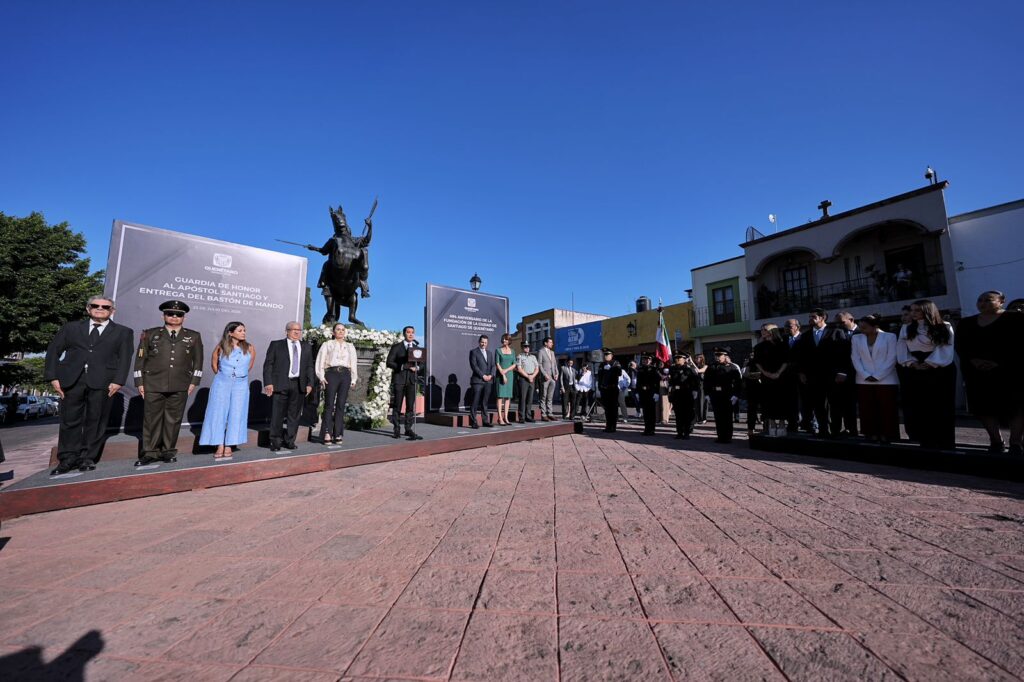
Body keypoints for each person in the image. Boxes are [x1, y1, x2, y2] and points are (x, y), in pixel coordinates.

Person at [44, 295, 134, 474]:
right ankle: (67, 458)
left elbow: (125, 358)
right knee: (69, 421)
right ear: (88, 308)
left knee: (96, 420)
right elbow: (53, 351)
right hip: (71, 380)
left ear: (112, 311)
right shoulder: (71, 328)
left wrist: (118, 381)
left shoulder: (123, 332)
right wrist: (53, 377)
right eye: (95, 305)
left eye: (105, 307)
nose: (100, 308)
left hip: (104, 382)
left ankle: (87, 458)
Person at [134, 300, 204, 465]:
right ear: (163, 316)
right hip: (153, 383)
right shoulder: (149, 334)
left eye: (178, 314)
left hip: (180, 384)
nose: (174, 316)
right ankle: (150, 452)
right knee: (151, 419)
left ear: (184, 318)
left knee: (173, 420)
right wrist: (139, 382)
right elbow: (140, 359)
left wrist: (194, 382)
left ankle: (168, 451)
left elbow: (198, 361)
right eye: (170, 313)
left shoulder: (193, 336)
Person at [956, 291, 1024, 455]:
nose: (983, 303)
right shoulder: (966, 323)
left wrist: (1000, 362)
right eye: (980, 300)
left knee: (1016, 407)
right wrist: (974, 361)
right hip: (978, 372)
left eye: (988, 300)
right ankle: (996, 441)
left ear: (1001, 301)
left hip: (1010, 372)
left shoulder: (1016, 319)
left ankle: (1015, 442)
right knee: (984, 407)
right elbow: (961, 346)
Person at [897, 299, 956, 449]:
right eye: (912, 310)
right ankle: (925, 439)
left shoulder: (944, 326)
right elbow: (901, 348)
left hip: (939, 369)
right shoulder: (906, 328)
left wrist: (930, 363)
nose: (913, 313)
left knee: (941, 405)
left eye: (917, 310)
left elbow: (945, 348)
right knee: (920, 405)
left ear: (927, 310)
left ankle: (944, 441)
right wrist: (911, 362)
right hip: (915, 368)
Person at [200, 321, 256, 457]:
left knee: (237, 413)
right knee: (217, 413)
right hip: (222, 383)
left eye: (244, 330)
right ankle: (219, 444)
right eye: (240, 331)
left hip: (240, 385)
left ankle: (230, 444)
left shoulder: (249, 348)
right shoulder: (221, 347)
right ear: (230, 333)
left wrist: (238, 375)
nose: (243, 333)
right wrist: (224, 376)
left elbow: (250, 365)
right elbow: (214, 363)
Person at [263, 321, 315, 451]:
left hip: (299, 384)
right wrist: (268, 382)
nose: (297, 332)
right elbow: (268, 365)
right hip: (280, 384)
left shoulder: (306, 346)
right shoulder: (276, 345)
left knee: (294, 415)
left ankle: (290, 440)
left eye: (299, 330)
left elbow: (310, 366)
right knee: (277, 415)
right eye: (293, 329)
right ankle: (275, 442)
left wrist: (310, 383)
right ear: (286, 331)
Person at [793, 309, 845, 437]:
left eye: (813, 316)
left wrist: (842, 372)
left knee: (834, 404)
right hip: (813, 377)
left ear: (822, 317)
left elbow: (843, 354)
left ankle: (836, 430)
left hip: (832, 375)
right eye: (810, 316)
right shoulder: (805, 336)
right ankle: (823, 429)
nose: (810, 319)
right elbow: (800, 357)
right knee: (818, 405)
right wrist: (801, 373)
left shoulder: (836, 332)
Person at [851, 314, 899, 443]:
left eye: (865, 327)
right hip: (863, 379)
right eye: (860, 327)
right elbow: (855, 358)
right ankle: (870, 433)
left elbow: (892, 358)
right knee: (867, 408)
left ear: (875, 326)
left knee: (887, 408)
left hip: (887, 379)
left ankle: (887, 434)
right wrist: (865, 375)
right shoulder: (856, 338)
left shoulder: (890, 337)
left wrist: (878, 376)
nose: (862, 330)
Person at [315, 322, 358, 445]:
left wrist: (353, 379)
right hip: (331, 374)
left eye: (343, 330)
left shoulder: (350, 346)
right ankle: (327, 432)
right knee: (329, 404)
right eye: (338, 329)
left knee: (341, 405)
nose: (341, 331)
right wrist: (321, 376)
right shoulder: (327, 344)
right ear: (333, 332)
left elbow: (353, 363)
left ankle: (338, 433)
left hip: (345, 375)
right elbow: (320, 361)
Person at [386, 325, 423, 440]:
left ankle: (408, 429)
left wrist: (417, 368)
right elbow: (389, 362)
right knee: (397, 406)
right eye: (408, 332)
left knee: (410, 406)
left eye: (412, 332)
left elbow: (422, 363)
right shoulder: (397, 347)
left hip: (411, 380)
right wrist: (402, 366)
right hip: (399, 380)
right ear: (404, 334)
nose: (411, 334)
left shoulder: (417, 348)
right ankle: (396, 429)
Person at [753, 323, 789, 437]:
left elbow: (786, 360)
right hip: (766, 378)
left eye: (765, 329)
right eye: (761, 329)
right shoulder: (759, 347)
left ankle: (782, 424)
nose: (762, 331)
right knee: (768, 401)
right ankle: (772, 424)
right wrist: (765, 373)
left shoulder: (782, 344)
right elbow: (757, 362)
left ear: (773, 330)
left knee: (782, 400)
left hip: (781, 377)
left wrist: (778, 373)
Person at [830, 311, 859, 436]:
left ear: (851, 320)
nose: (838, 325)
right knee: (840, 403)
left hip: (860, 374)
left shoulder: (862, 332)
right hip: (840, 375)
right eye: (836, 323)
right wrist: (840, 372)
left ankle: (853, 429)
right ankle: (842, 429)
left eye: (841, 322)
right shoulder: (836, 333)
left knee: (853, 405)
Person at [704, 348, 742, 443]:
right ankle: (720, 436)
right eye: (716, 356)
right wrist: (707, 393)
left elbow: (738, 382)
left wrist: (736, 395)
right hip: (715, 394)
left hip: (727, 394)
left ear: (725, 356)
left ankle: (728, 437)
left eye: (719, 356)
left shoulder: (732, 367)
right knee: (718, 416)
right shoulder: (711, 367)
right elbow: (706, 381)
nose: (717, 357)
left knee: (727, 416)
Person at [783, 318, 813, 433]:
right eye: (785, 326)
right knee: (790, 400)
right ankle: (792, 423)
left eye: (789, 326)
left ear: (797, 327)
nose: (786, 328)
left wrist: (803, 372)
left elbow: (808, 357)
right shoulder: (783, 339)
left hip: (802, 374)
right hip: (787, 375)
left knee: (806, 400)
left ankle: (808, 423)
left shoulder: (805, 338)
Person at [669, 353, 701, 439]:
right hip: (676, 394)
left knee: (687, 414)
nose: (677, 360)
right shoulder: (673, 369)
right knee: (678, 414)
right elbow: (671, 381)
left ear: (684, 359)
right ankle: (679, 432)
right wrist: (670, 390)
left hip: (686, 394)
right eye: (676, 358)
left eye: (679, 358)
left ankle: (687, 432)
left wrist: (695, 391)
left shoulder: (689, 369)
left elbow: (696, 380)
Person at [468, 334, 495, 428]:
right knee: (475, 402)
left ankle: (485, 421)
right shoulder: (473, 352)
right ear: (479, 342)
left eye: (485, 342)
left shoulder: (490, 353)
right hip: (478, 381)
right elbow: (474, 366)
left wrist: (491, 375)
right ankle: (473, 422)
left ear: (487, 343)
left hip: (488, 381)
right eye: (482, 342)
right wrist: (483, 375)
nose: (484, 344)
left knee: (485, 402)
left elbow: (493, 366)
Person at [596, 349, 621, 432]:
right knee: (607, 409)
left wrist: (612, 369)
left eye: (608, 354)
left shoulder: (616, 363)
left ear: (611, 356)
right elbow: (599, 377)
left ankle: (613, 426)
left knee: (613, 408)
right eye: (605, 355)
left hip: (612, 389)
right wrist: (600, 387)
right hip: (604, 389)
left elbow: (619, 373)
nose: (606, 356)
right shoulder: (602, 364)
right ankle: (608, 426)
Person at [494, 333, 516, 425]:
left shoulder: (513, 351)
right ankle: (500, 418)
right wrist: (503, 374)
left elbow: (514, 364)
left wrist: (506, 371)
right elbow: (497, 364)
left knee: (508, 397)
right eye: (503, 339)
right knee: (500, 397)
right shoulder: (498, 350)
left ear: (509, 341)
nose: (504, 340)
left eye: (506, 339)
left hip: (510, 375)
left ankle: (506, 417)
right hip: (500, 375)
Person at [635, 355, 660, 435]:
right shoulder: (640, 369)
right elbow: (638, 382)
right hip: (643, 392)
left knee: (651, 412)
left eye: (647, 359)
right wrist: (637, 392)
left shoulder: (654, 369)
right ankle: (646, 429)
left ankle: (652, 430)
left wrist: (656, 393)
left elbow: (657, 382)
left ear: (650, 361)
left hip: (651, 392)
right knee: (645, 412)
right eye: (644, 359)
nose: (645, 361)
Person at [515, 342, 539, 423]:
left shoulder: (533, 357)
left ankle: (528, 416)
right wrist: (528, 376)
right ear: (522, 348)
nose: (527, 348)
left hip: (532, 378)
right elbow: (519, 368)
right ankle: (521, 417)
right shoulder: (520, 356)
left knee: (530, 398)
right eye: (525, 347)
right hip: (523, 378)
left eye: (528, 346)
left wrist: (532, 376)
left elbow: (537, 368)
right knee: (523, 398)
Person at [536, 337, 558, 421]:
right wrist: (544, 374)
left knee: (550, 396)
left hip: (552, 377)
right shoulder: (541, 351)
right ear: (545, 343)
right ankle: (543, 414)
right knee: (543, 396)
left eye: (552, 342)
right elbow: (539, 364)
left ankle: (550, 413)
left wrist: (556, 373)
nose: (552, 344)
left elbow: (555, 364)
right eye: (550, 342)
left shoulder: (552, 352)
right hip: (545, 377)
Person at [693, 354, 708, 423]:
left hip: (702, 386)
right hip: (696, 386)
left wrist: (691, 362)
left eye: (697, 358)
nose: (696, 359)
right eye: (695, 358)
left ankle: (703, 418)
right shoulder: (694, 366)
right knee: (696, 403)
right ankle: (697, 418)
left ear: (701, 359)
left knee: (702, 403)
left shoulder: (705, 366)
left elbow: (699, 371)